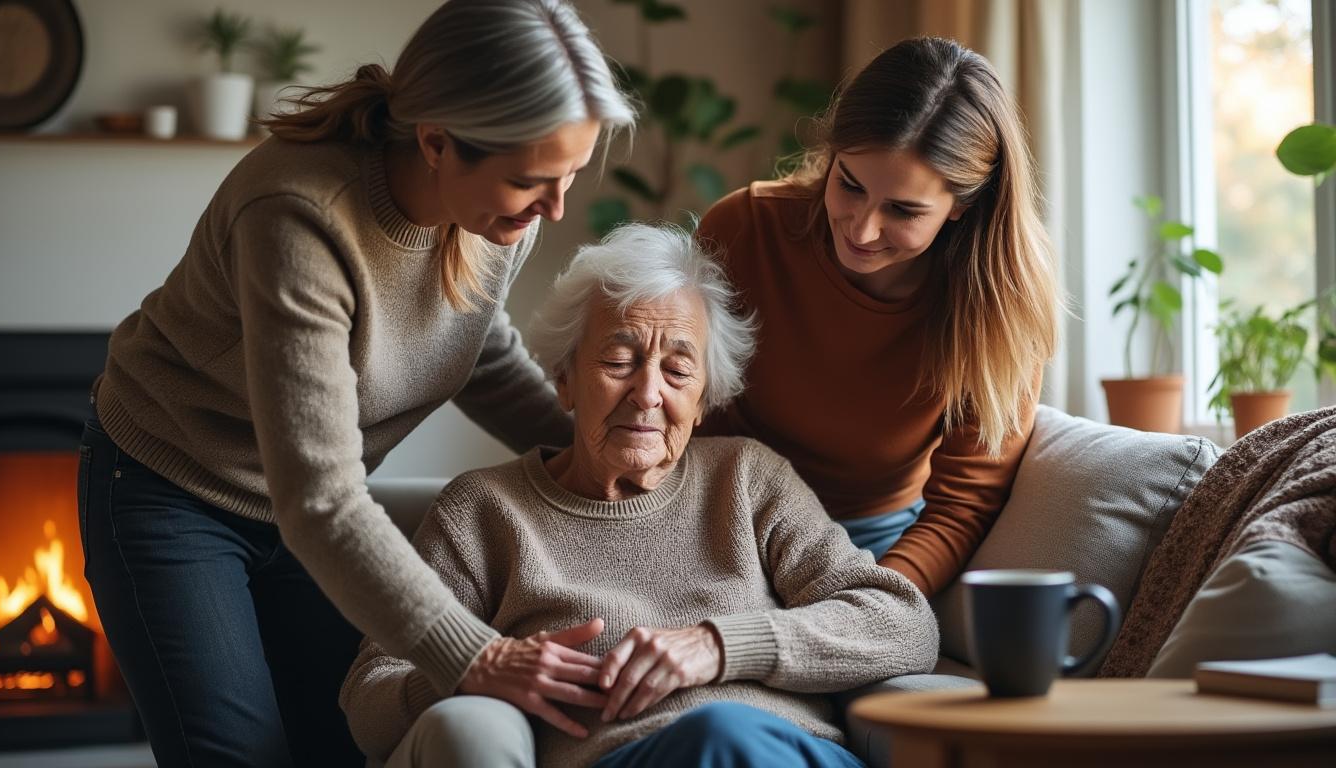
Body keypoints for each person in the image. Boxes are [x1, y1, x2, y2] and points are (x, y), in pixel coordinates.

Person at [75, 2, 634, 765]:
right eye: (532, 181)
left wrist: (607, 453)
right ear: (437, 141)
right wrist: (483, 657)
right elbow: (322, 499)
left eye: (571, 173)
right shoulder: (299, 215)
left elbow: (474, 348)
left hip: (305, 509)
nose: (555, 207)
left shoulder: (497, 211)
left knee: (343, 746)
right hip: (174, 488)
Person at [338, 223, 940, 768]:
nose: (648, 393)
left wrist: (720, 646)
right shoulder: (486, 510)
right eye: (619, 360)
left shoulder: (748, 480)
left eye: (678, 372)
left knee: (722, 733)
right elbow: (370, 698)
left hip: (778, 751)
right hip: (623, 760)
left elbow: (905, 623)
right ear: (565, 379)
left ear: (704, 400)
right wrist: (476, 669)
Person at [695, 36, 1061, 599]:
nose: (862, 229)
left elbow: (962, 506)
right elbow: (678, 420)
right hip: (718, 520)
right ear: (834, 154)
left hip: (874, 544)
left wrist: (873, 601)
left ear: (963, 204)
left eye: (903, 210)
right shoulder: (743, 230)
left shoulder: (1001, 305)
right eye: (850, 185)